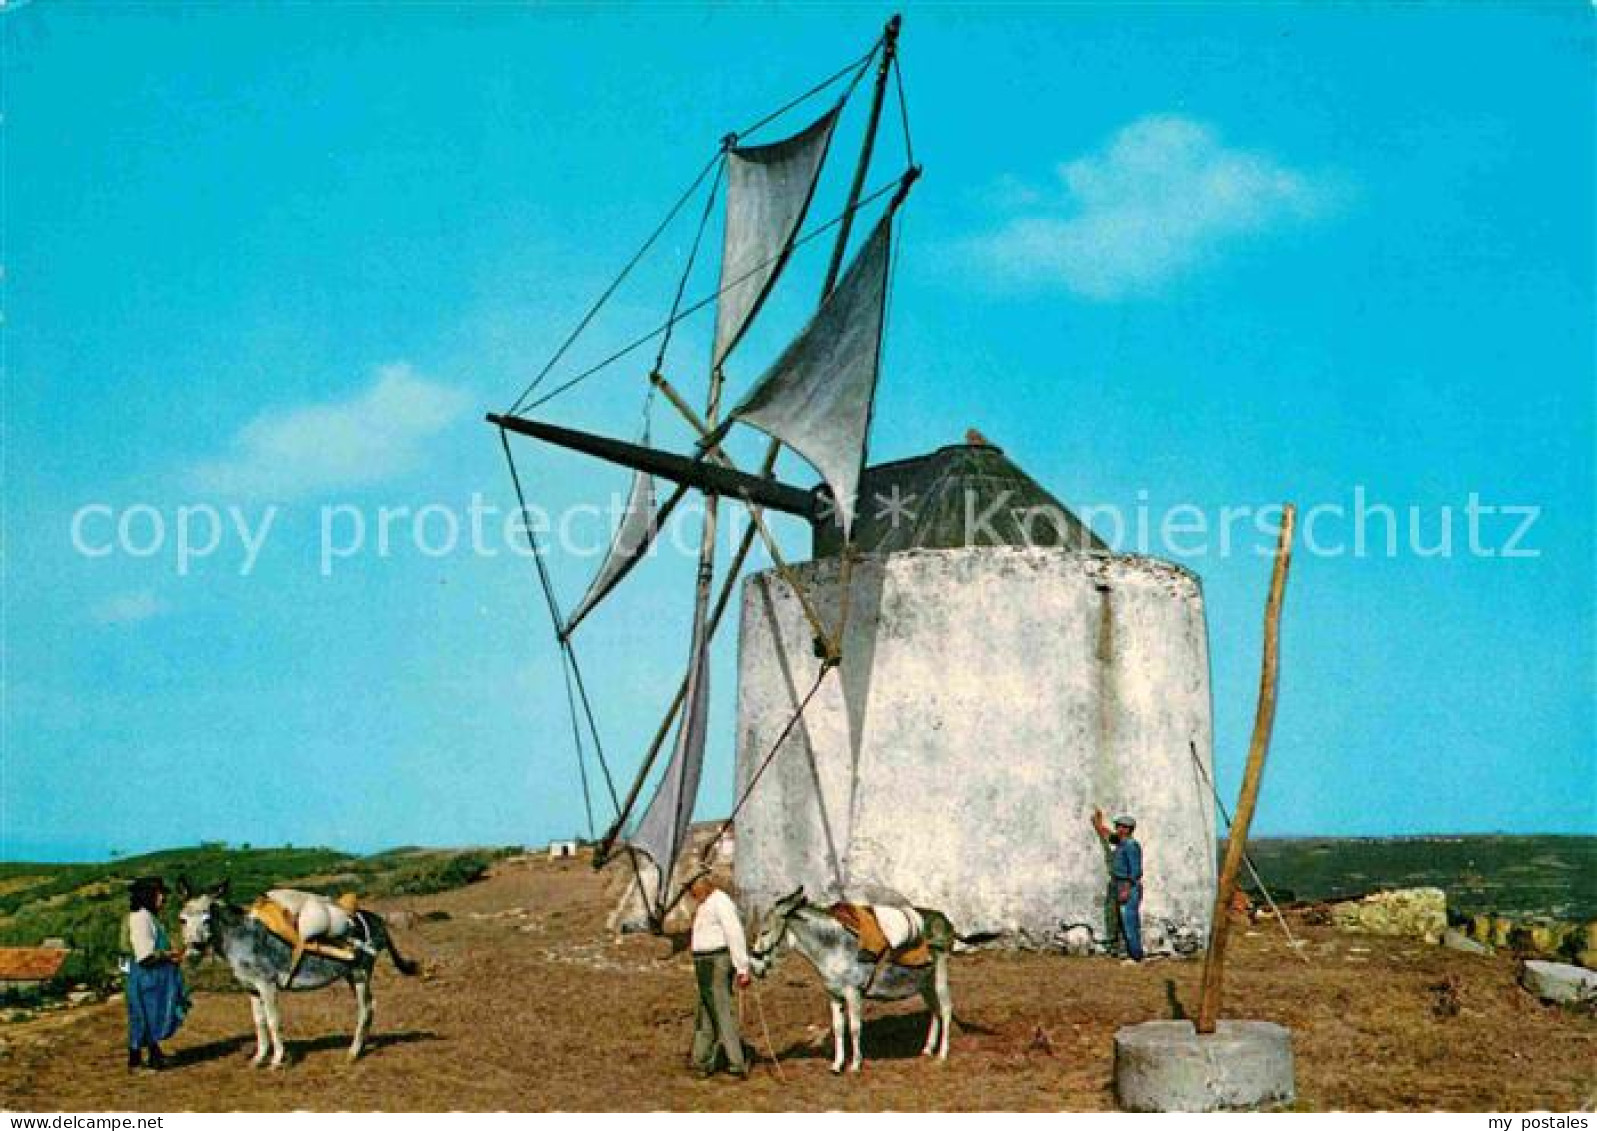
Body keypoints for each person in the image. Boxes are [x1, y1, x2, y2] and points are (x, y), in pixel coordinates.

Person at [686, 873, 751, 1079]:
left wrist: (742, 967)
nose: (690, 893)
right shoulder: (704, 904)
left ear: (703, 884)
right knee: (705, 1009)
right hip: (703, 962)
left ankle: (736, 1063)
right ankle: (701, 1059)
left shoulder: (721, 902)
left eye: (692, 887)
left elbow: (735, 934)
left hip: (717, 961)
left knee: (721, 1010)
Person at [125, 877, 188, 1070]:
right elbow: (145, 956)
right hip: (145, 976)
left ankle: (154, 1053)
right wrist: (169, 956)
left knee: (152, 1015)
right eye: (160, 894)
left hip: (150, 976)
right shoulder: (140, 919)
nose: (163, 899)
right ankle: (135, 1062)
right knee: (144, 1015)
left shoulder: (149, 917)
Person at [1091, 810, 1145, 962]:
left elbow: (1136, 872)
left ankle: (1136, 957)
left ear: (1128, 829)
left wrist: (1126, 889)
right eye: (1117, 826)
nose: (1118, 829)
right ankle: (1127, 953)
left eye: (1121, 827)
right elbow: (1107, 835)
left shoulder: (1131, 846)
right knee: (1121, 922)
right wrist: (1098, 823)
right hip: (1118, 884)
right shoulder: (1122, 842)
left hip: (1127, 886)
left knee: (1129, 923)